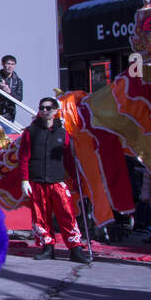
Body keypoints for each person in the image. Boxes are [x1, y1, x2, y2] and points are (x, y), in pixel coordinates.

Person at [19, 97, 91, 264]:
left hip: (57, 181)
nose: (45, 111)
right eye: (42, 108)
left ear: (55, 110)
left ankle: (75, 249)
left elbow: (68, 158)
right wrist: (25, 180)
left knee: (67, 214)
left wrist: (75, 176)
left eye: (48, 108)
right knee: (40, 216)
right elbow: (23, 157)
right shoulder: (30, 132)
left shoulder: (63, 132)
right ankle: (47, 247)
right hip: (37, 181)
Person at [0, 55, 24, 123]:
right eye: (8, 64)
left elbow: (19, 99)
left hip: (9, 116)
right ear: (3, 64)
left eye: (13, 64)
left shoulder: (18, 81)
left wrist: (9, 92)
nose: (10, 66)